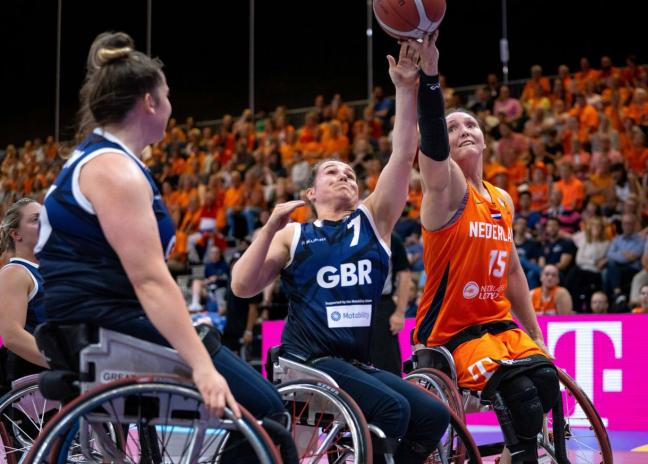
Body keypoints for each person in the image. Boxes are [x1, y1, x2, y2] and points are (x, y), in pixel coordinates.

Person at [34, 32, 289, 462]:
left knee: (212, 345)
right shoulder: (114, 170)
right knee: (268, 415)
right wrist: (202, 366)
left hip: (96, 318)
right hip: (106, 324)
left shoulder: (104, 161)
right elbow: (151, 280)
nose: (171, 105)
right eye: (167, 95)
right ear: (150, 102)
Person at [232, 39, 450, 463]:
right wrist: (269, 228)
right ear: (312, 192)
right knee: (394, 408)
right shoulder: (294, 235)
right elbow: (242, 288)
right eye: (332, 172)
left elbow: (404, 155)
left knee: (432, 416)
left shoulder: (374, 219)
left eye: (349, 173)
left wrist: (406, 88)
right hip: (306, 362)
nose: (345, 175)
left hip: (353, 362)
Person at [412, 36, 559, 464]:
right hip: (449, 334)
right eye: (454, 127)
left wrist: (534, 333)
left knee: (546, 382)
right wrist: (430, 79)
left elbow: (513, 273)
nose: (463, 131)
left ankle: (516, 457)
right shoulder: (446, 191)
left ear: (484, 138)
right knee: (521, 394)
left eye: (471, 125)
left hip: (497, 328)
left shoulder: (501, 199)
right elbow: (434, 147)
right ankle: (522, 456)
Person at [0, 198, 49, 386]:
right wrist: (61, 362)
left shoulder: (47, 270)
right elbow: (12, 335)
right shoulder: (15, 273)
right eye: (36, 219)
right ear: (16, 234)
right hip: (34, 379)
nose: (44, 223)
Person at [369, 232, 411, 376]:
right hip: (351, 305)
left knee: (388, 365)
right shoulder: (345, 235)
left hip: (382, 305)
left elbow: (404, 276)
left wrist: (400, 312)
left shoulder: (391, 238)